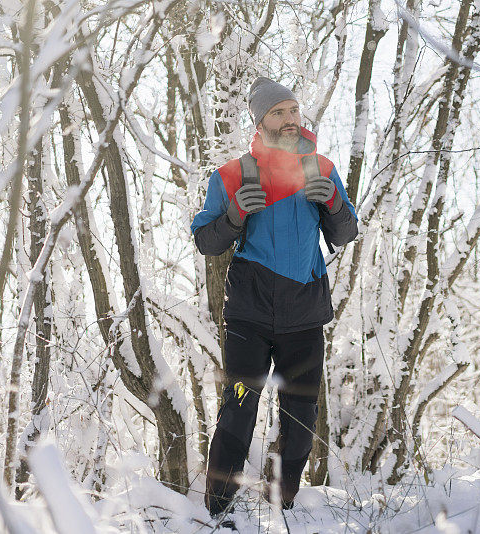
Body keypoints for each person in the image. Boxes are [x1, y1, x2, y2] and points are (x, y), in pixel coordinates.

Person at [190, 76, 359, 516]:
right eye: (278, 112)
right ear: (260, 120)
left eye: (293, 110)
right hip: (249, 316)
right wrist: (233, 213)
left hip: (304, 316)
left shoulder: (320, 169)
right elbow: (207, 241)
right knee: (240, 410)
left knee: (301, 422)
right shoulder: (232, 174)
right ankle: (219, 513)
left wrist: (334, 207)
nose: (289, 119)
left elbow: (346, 233)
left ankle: (280, 504)